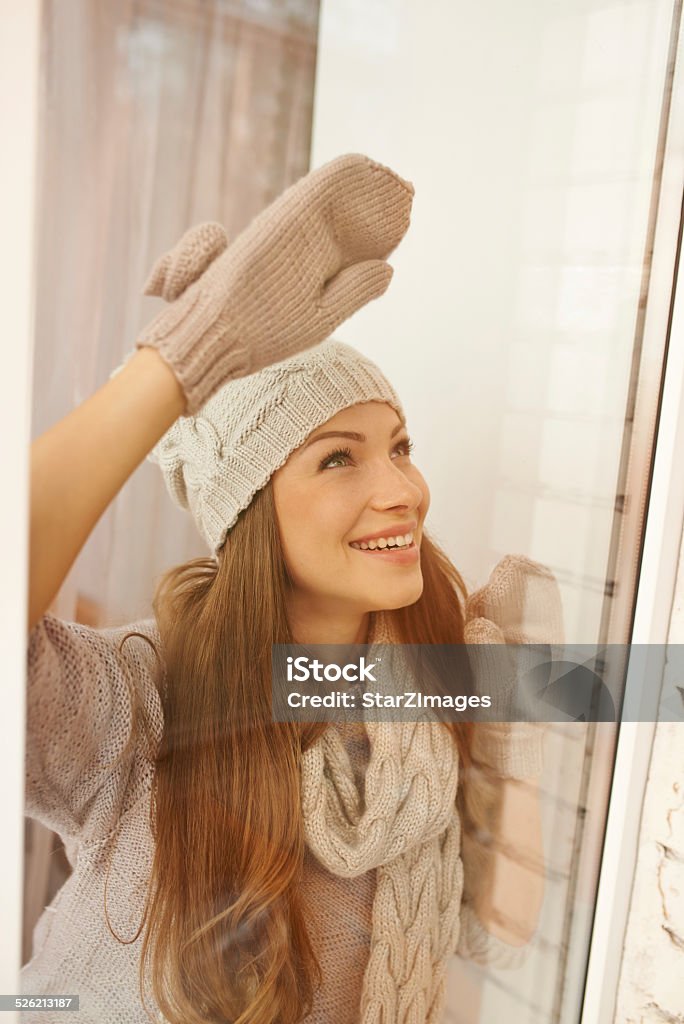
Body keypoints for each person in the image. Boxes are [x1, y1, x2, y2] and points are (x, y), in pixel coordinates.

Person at [25, 153, 564, 1024]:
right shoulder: (139, 699)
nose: (401, 489)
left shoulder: (426, 697)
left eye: (399, 446)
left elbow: (501, 928)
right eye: (338, 458)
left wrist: (517, 736)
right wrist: (181, 362)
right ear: (248, 510)